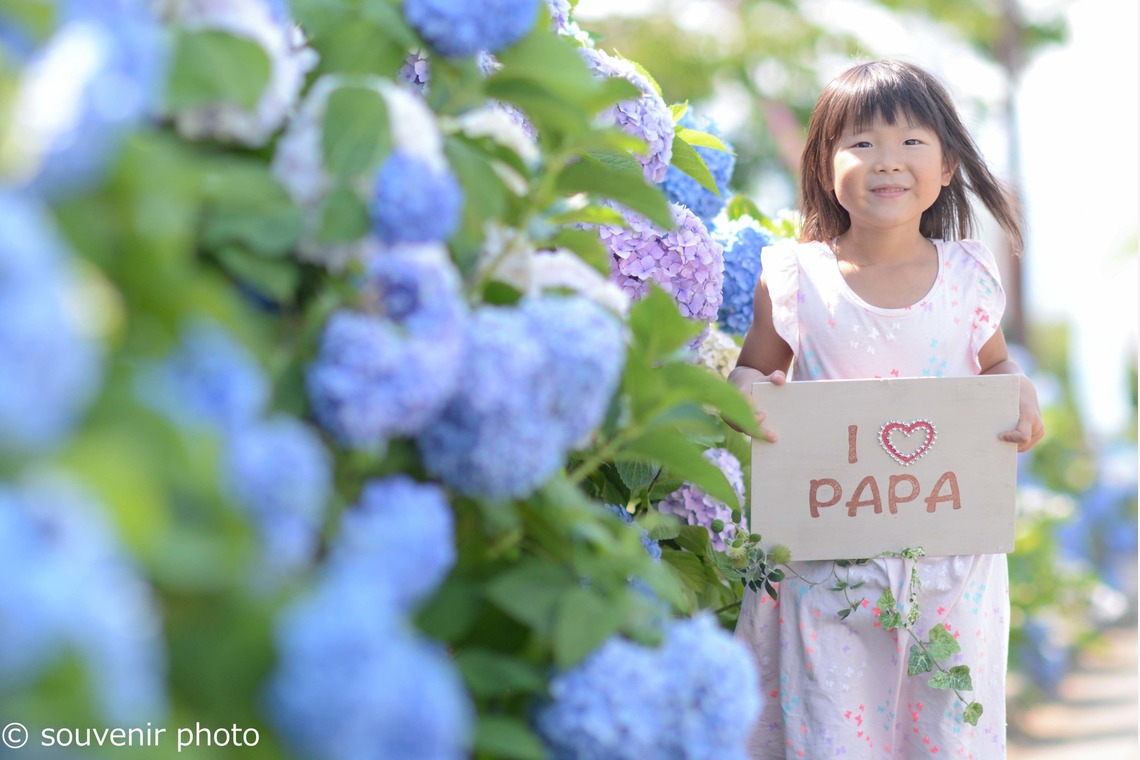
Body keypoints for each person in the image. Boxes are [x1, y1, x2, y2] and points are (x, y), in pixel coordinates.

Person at [729, 59, 1045, 759]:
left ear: (946, 165)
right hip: (826, 566)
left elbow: (995, 365)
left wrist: (1017, 388)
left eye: (910, 143)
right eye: (862, 143)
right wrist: (747, 393)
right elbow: (753, 369)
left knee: (943, 728)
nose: (887, 162)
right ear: (823, 164)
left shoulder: (968, 274)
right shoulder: (794, 277)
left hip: (947, 567)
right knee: (832, 726)